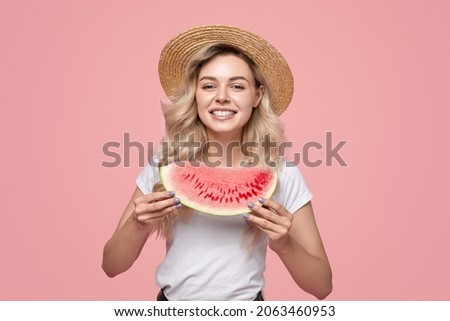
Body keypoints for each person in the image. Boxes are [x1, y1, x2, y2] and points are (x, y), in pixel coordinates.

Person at [102, 25, 332, 301]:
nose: (221, 96)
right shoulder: (165, 164)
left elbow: (322, 286)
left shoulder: (282, 173)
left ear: (257, 96)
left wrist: (284, 244)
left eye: (237, 86)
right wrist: (138, 224)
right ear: (195, 95)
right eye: (209, 85)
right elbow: (111, 266)